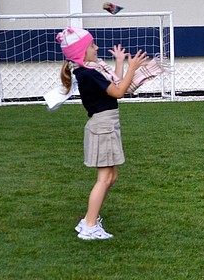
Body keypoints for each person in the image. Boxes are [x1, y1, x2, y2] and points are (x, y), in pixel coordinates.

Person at [57, 27, 149, 240]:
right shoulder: (88, 74)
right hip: (103, 127)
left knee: (111, 176)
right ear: (81, 52)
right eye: (91, 45)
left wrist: (120, 62)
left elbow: (114, 84)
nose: (96, 47)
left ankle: (90, 218)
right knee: (105, 178)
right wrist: (132, 68)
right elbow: (118, 91)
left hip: (107, 125)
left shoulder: (90, 70)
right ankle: (89, 226)